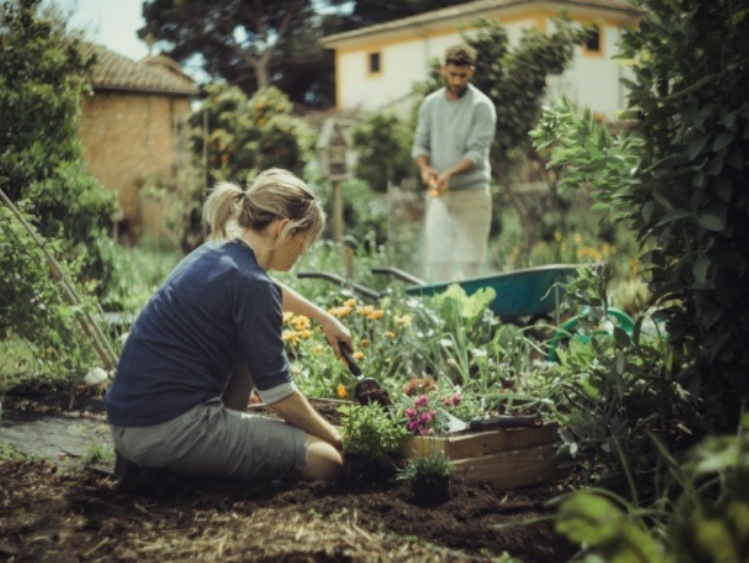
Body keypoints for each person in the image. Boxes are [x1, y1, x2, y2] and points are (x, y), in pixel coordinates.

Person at [105, 168, 350, 488]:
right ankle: (180, 469)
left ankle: (195, 457)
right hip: (168, 431)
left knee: (250, 347)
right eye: (302, 243)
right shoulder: (252, 287)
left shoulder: (216, 253)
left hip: (130, 423)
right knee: (327, 460)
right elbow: (280, 397)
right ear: (283, 228)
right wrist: (338, 438)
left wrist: (323, 317)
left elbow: (264, 289)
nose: (301, 254)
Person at [412, 43, 497, 282]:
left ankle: (471, 317)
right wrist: (426, 169)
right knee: (439, 264)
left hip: (473, 194)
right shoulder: (430, 104)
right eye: (453, 74)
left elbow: (476, 153)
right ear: (443, 69)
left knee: (470, 265)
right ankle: (445, 318)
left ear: (471, 72)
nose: (458, 80)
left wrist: (448, 174)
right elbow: (420, 144)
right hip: (440, 194)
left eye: (463, 75)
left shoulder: (482, 106)